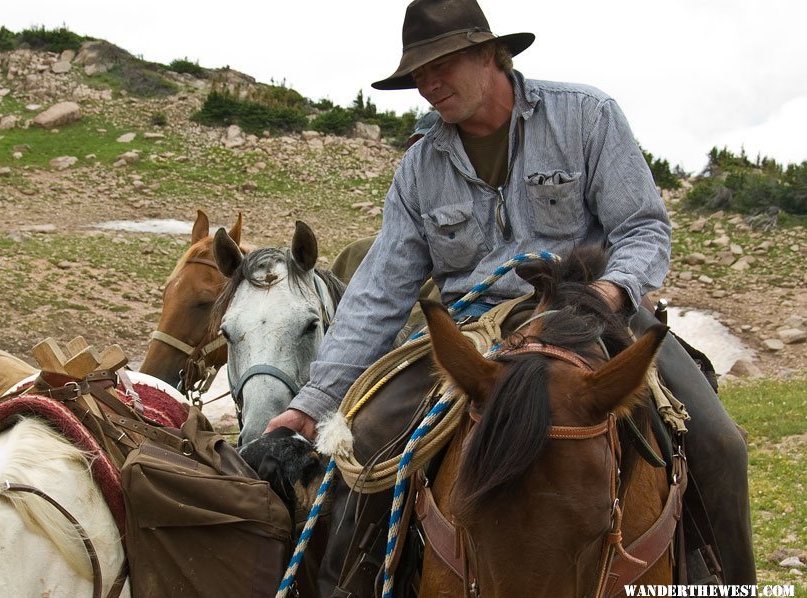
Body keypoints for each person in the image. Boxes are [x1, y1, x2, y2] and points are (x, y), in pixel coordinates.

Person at [267, 0, 755, 586]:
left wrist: (608, 293)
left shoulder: (587, 117)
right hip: (476, 330)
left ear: (487, 53)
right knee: (363, 448)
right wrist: (311, 403)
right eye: (418, 75)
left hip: (595, 314)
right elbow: (378, 292)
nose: (429, 85)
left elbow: (643, 227)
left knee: (720, 444)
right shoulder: (420, 169)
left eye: (441, 65)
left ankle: (727, 580)